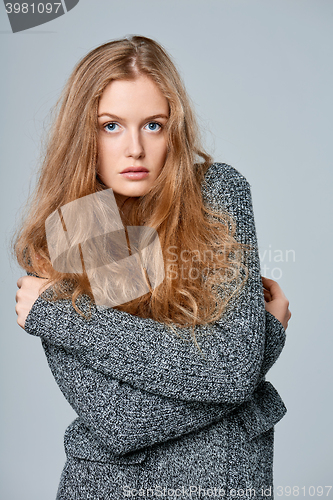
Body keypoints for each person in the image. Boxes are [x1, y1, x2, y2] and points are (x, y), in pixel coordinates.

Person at [14, 35, 291, 499]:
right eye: (111, 126)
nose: (135, 149)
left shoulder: (215, 195)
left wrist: (62, 317)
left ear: (174, 128)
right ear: (83, 132)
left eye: (154, 125)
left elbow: (231, 369)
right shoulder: (74, 228)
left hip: (225, 481)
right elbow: (121, 419)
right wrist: (259, 346)